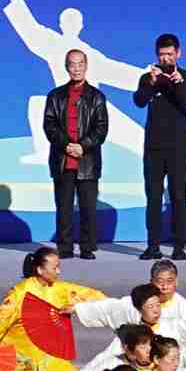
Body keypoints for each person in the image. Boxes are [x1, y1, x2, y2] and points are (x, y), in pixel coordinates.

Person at [132, 31, 186, 258]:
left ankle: (179, 247)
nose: (166, 58)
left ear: (178, 53)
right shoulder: (148, 77)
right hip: (154, 147)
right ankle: (153, 246)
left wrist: (177, 84)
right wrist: (152, 82)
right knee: (153, 197)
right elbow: (139, 101)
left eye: (170, 54)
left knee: (179, 196)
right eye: (162, 54)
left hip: (177, 147)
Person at [43, 46, 110, 259]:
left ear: (86, 66)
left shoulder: (97, 97)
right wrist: (66, 145)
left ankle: (87, 247)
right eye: (72, 65)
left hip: (87, 161)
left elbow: (101, 128)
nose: (77, 68)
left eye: (80, 64)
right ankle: (65, 248)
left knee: (88, 208)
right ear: (66, 67)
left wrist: (83, 146)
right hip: (63, 160)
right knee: (64, 207)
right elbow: (49, 125)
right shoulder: (55, 96)